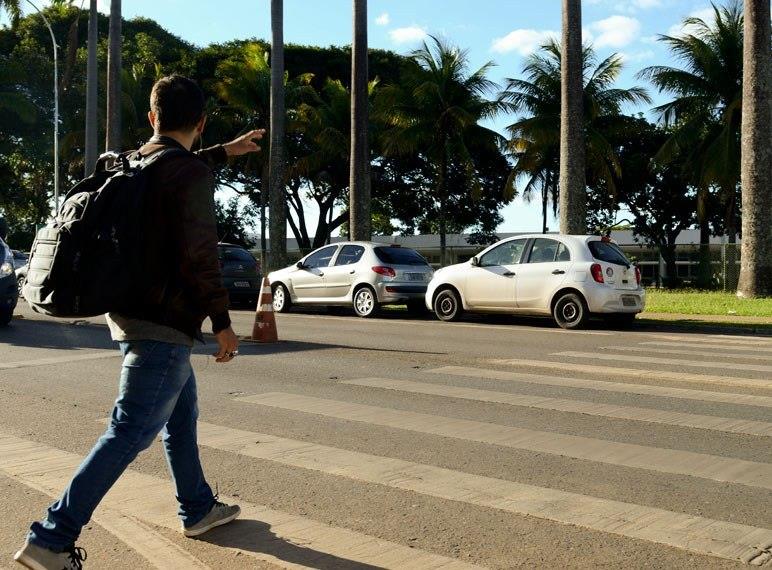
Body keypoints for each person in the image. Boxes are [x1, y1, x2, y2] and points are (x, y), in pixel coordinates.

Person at [14, 74, 265, 570]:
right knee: (129, 429)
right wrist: (223, 321)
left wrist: (222, 152)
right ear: (200, 120)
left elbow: (177, 170)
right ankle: (50, 538)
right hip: (164, 321)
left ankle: (196, 507)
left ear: (152, 118)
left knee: (181, 415)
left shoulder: (133, 160)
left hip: (129, 311)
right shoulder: (186, 175)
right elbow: (200, 255)